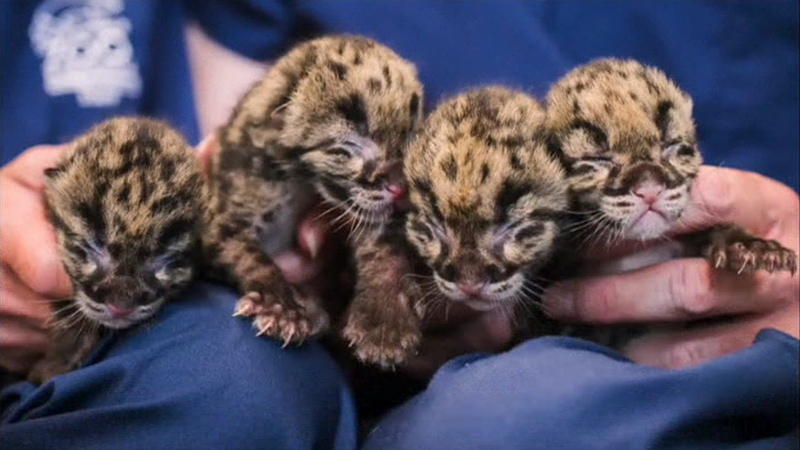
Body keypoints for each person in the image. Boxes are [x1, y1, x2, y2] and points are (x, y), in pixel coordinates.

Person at [1, 1, 797, 449]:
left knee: (510, 425)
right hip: (366, 372)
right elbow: (238, 160)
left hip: (706, 347)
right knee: (230, 387)